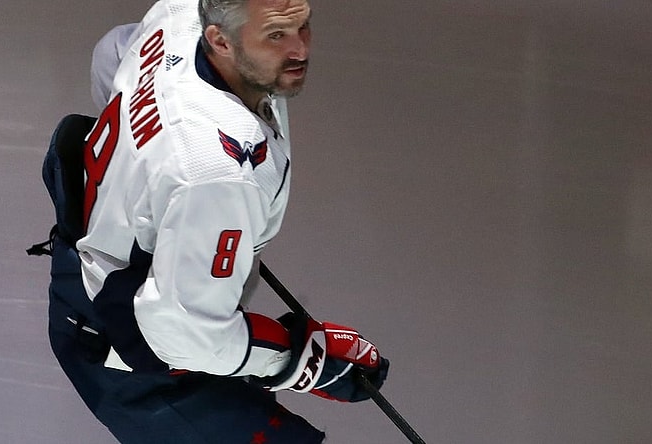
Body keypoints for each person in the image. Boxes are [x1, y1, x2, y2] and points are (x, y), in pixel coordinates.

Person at [33, 0, 389, 442]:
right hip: (136, 362)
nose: (300, 49)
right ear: (219, 40)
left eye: (303, 26)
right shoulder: (218, 175)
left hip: (120, 297)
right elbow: (185, 336)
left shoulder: (181, 13)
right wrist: (306, 361)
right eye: (276, 35)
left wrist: (165, 206)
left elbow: (114, 53)